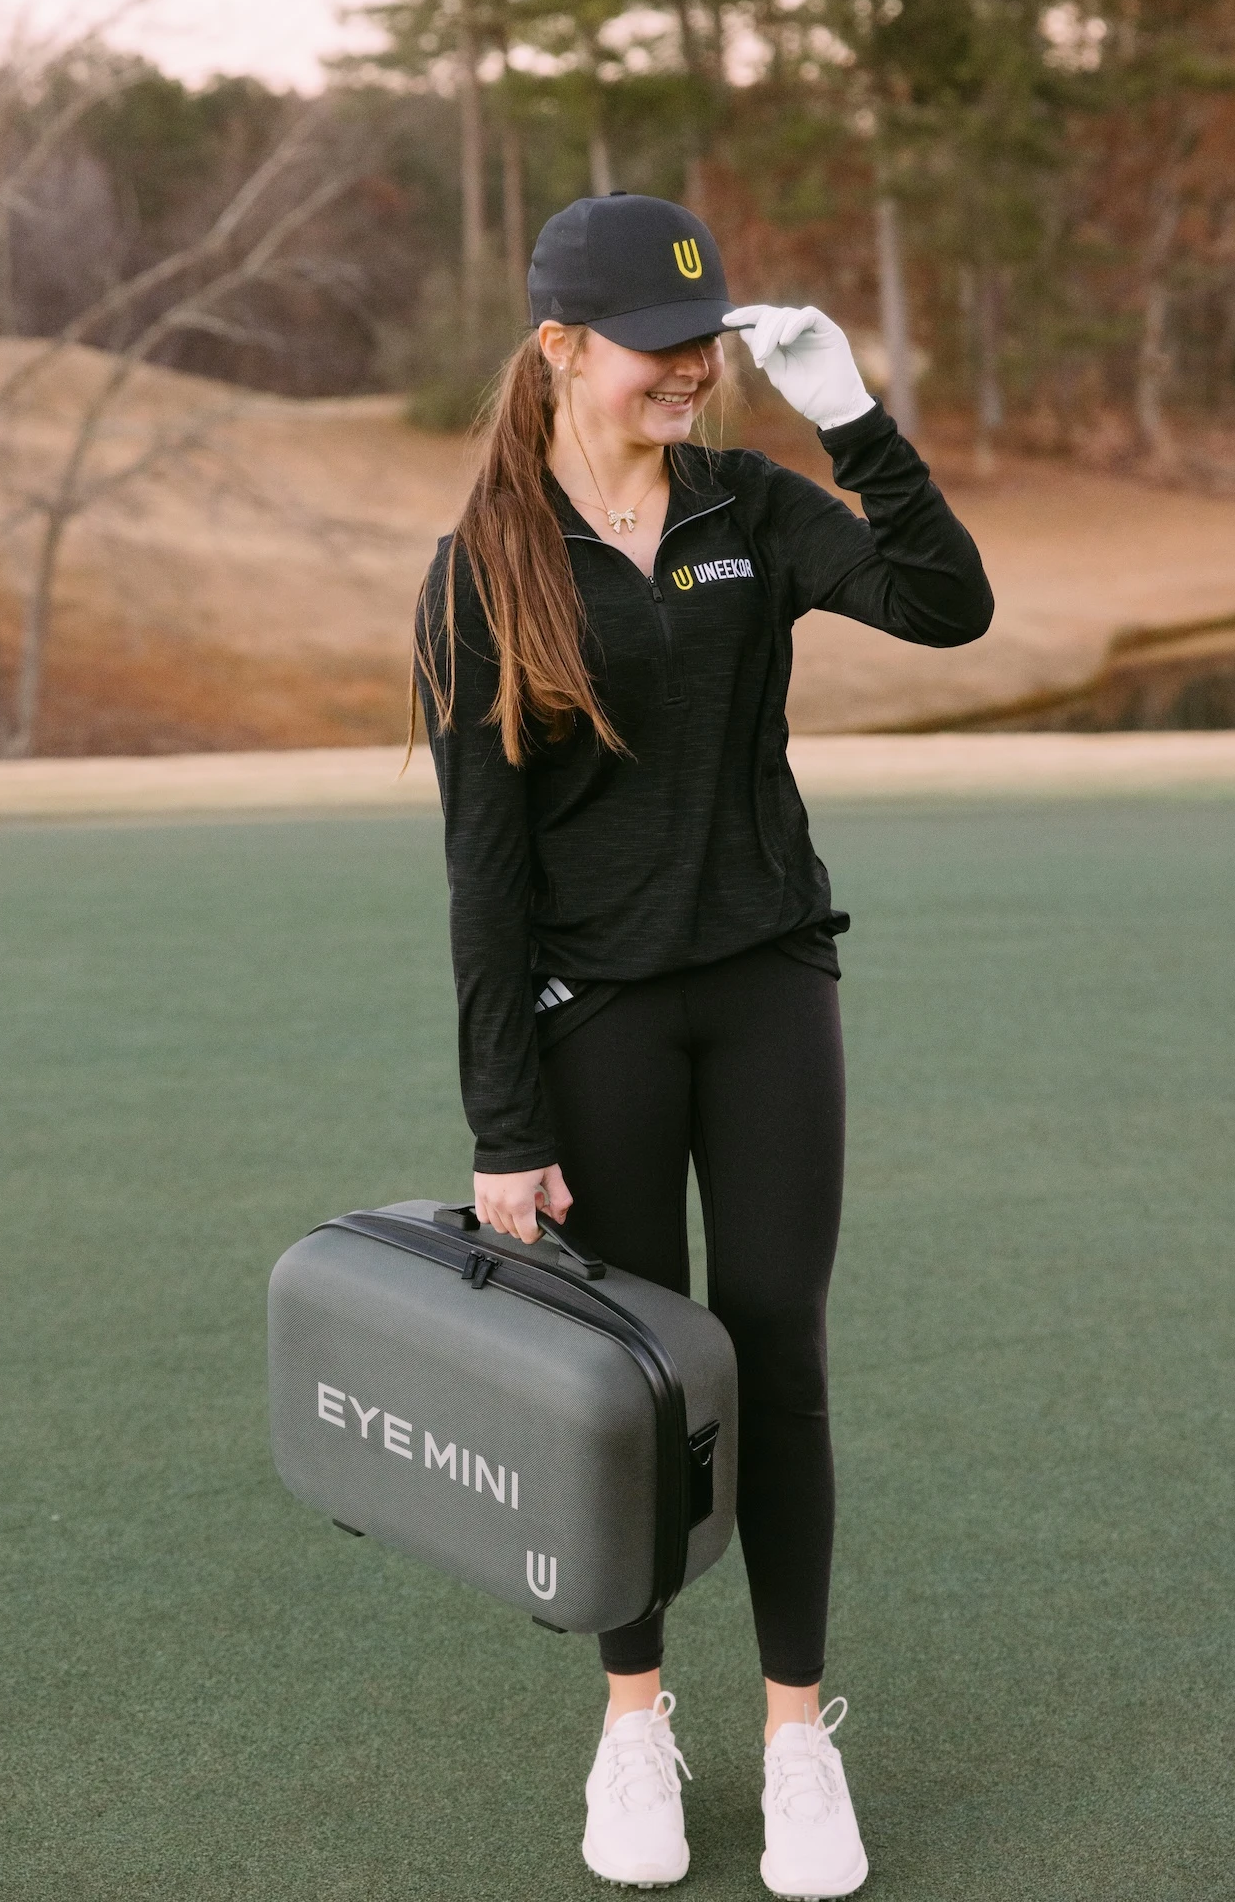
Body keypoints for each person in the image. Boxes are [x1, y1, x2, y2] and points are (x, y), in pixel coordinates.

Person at [413, 192, 993, 1899]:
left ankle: (799, 1738)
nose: (688, 368)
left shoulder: (749, 499)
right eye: (655, 346)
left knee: (777, 1355)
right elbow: (482, 878)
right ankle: (633, 1721)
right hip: (591, 1025)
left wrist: (853, 416)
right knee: (628, 1391)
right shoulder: (483, 571)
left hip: (764, 994)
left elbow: (944, 605)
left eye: (705, 339)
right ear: (558, 349)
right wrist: (501, 1124)